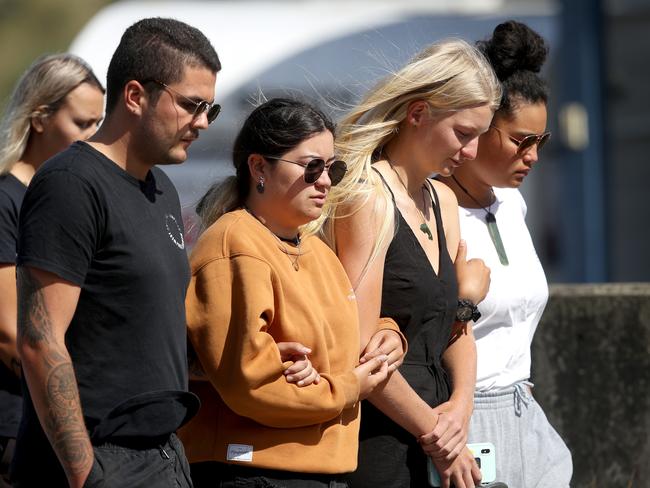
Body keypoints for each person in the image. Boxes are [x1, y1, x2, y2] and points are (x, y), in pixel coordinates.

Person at [12, 18, 221, 488]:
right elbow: (41, 340)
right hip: (99, 460)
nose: (203, 123)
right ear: (134, 96)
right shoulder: (71, 184)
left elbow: (140, 331)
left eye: (211, 107)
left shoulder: (161, 189)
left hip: (164, 455)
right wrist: (85, 472)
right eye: (192, 105)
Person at [179, 98, 404, 488]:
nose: (326, 181)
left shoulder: (315, 250)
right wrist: (348, 387)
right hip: (254, 472)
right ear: (259, 167)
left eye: (332, 167)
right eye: (311, 166)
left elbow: (338, 331)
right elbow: (251, 380)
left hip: (317, 470)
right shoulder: (235, 243)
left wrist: (386, 336)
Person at [312, 39, 501, 488]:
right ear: (418, 114)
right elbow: (361, 353)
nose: (472, 152)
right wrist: (438, 433)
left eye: (478, 136)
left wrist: (461, 408)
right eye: (463, 133)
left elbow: (455, 327)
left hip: (436, 435)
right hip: (380, 441)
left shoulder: (445, 200)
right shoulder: (367, 196)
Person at [439, 21, 573, 487]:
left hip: (525, 412)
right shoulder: (432, 206)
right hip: (462, 420)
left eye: (541, 141)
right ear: (476, 128)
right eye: (521, 141)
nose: (533, 156)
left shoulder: (512, 202)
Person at [0, 53, 104, 486]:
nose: (94, 136)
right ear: (39, 118)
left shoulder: (72, 195)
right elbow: (11, 333)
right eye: (82, 123)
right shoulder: (7, 199)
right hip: (17, 424)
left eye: (100, 122)